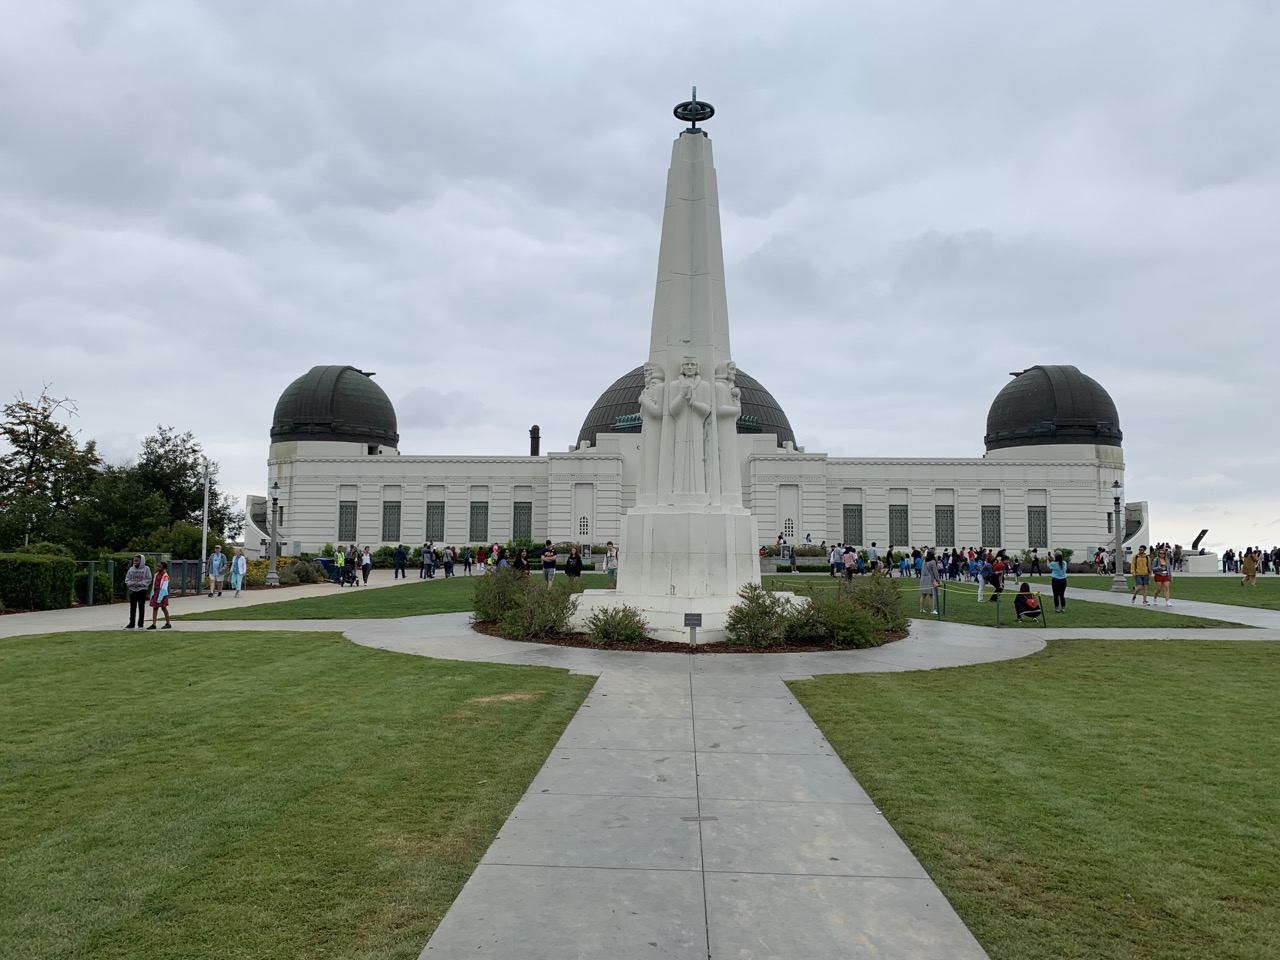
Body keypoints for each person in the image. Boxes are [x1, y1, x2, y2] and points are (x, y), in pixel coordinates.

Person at [124, 554, 151, 628]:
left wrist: (140, 584)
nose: (135, 562)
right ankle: (131, 623)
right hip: (132, 590)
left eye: (137, 560)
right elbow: (127, 579)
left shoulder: (146, 569)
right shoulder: (131, 569)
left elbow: (148, 579)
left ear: (141, 561)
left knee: (141, 607)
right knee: (132, 607)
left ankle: (140, 624)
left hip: (142, 590)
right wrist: (131, 584)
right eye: (134, 560)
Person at [147, 561, 172, 629]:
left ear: (163, 568)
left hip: (162, 594)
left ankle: (168, 623)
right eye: (157, 566)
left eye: (159, 566)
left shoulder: (165, 576)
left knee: (163, 608)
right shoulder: (156, 575)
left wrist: (160, 597)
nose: (157, 568)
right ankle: (154, 624)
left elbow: (164, 588)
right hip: (156, 593)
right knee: (155, 608)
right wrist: (152, 594)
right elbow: (154, 585)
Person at [919, 550, 940, 615]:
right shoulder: (933, 562)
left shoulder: (924, 561)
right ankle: (932, 610)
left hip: (923, 578)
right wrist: (938, 580)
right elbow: (935, 572)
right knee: (931, 595)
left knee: (923, 595)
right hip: (929, 579)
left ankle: (921, 609)